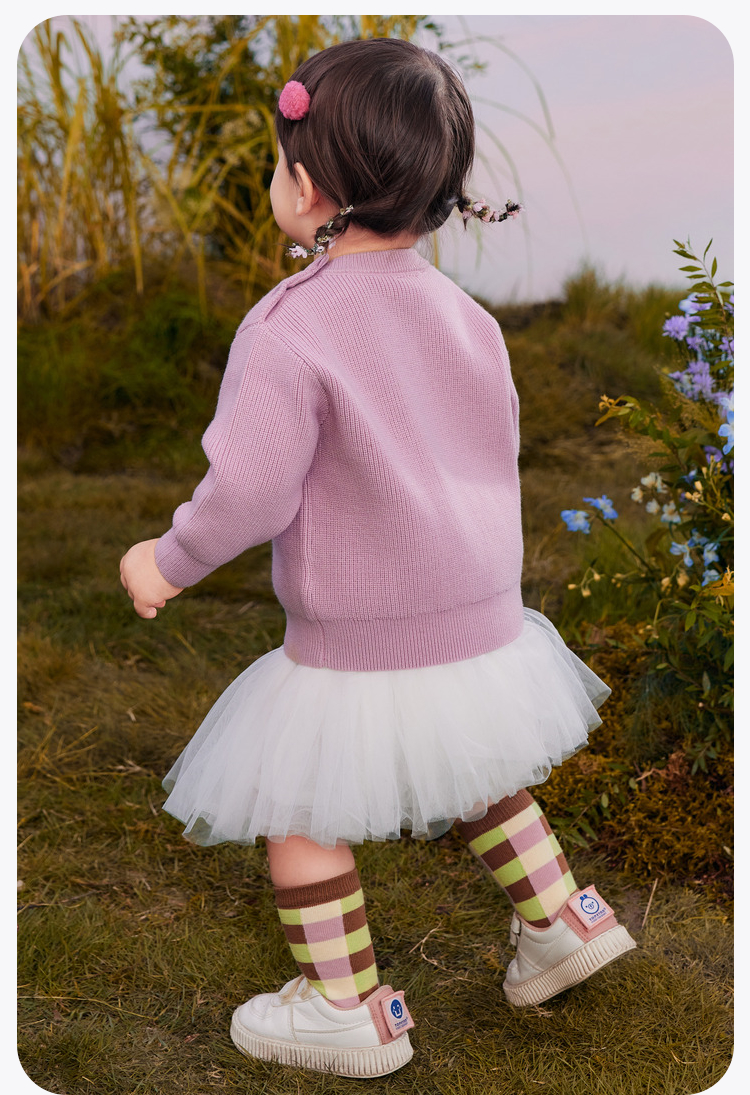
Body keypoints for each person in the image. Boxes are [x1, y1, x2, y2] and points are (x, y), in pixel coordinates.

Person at [119, 36, 636, 1080]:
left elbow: (251, 489)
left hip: (356, 631)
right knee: (476, 761)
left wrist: (168, 561)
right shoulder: (468, 317)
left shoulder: (288, 329)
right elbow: (493, 449)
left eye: (278, 163)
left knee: (298, 804)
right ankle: (561, 923)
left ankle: (344, 1008)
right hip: (479, 613)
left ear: (307, 188)